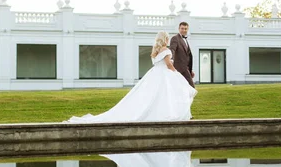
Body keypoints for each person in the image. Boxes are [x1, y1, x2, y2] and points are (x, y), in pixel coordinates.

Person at [64, 30, 197, 124]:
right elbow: (168, 64)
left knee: (153, 97)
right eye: (167, 38)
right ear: (165, 39)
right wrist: (176, 73)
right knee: (167, 94)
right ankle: (167, 115)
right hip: (163, 75)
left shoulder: (155, 52)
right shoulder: (166, 50)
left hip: (154, 75)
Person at [169, 22, 195, 88]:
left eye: (185, 29)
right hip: (179, 68)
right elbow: (172, 50)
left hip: (186, 69)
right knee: (191, 87)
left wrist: (190, 70)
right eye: (182, 28)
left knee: (185, 89)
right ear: (179, 29)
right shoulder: (175, 38)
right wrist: (171, 60)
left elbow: (187, 55)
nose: (184, 30)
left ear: (188, 29)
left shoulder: (186, 40)